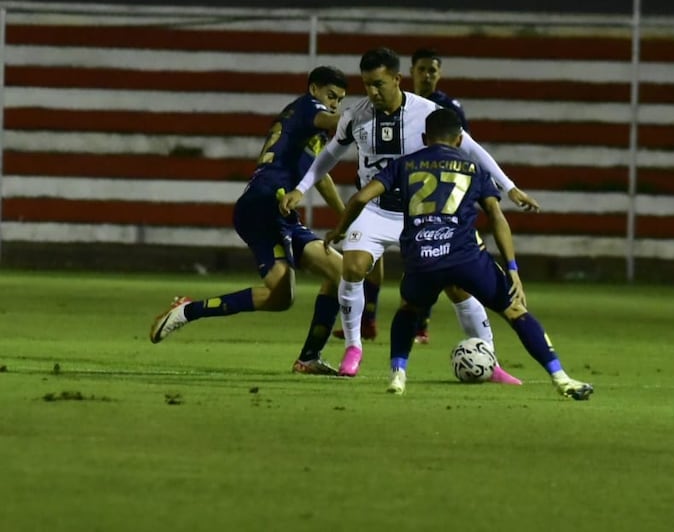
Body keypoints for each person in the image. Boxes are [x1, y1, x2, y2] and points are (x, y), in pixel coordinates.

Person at [280, 47, 540, 380]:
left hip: (420, 214)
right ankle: (354, 348)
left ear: (396, 79)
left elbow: (473, 148)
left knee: (458, 286)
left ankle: (491, 362)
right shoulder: (355, 116)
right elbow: (328, 157)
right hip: (374, 210)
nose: (372, 92)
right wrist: (301, 189)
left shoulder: (428, 112)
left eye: (378, 84)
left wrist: (510, 187)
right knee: (353, 267)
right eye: (366, 85)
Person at [325, 108, 594, 399]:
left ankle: (398, 376)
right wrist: (512, 267)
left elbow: (361, 197)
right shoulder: (472, 167)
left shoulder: (404, 164)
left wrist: (340, 229)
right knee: (515, 310)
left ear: (425, 138)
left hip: (421, 258)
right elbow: (495, 216)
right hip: (465, 257)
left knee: (409, 310)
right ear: (458, 140)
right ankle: (562, 378)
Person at [149, 65, 349, 375]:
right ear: (314, 90)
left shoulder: (311, 132)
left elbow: (321, 177)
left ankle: (308, 358)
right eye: (330, 96)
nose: (334, 104)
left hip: (280, 210)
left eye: (340, 100)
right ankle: (187, 311)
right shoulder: (308, 107)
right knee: (290, 287)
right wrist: (363, 117)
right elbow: (330, 121)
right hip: (264, 203)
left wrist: (345, 218)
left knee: (328, 278)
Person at [330, 47, 469, 345]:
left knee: (435, 266)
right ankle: (367, 321)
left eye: (433, 70)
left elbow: (461, 150)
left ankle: (422, 324)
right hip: (380, 204)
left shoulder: (441, 109)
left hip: (422, 203)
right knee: (365, 259)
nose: (428, 75)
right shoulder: (370, 112)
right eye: (423, 69)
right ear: (411, 72)